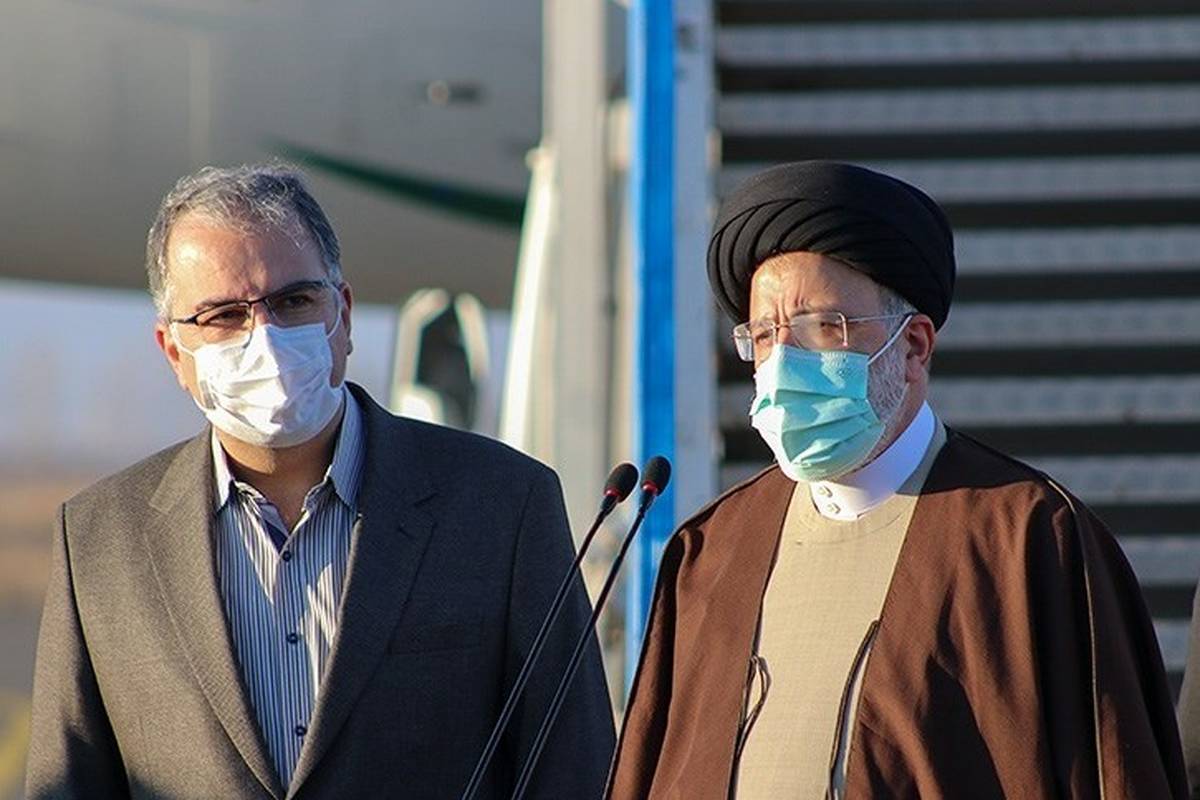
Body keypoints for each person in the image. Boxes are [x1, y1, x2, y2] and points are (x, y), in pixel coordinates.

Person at [26, 163, 615, 799]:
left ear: (344, 315)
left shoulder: (501, 504)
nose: (266, 339)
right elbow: (68, 783)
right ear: (174, 352)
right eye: (224, 315)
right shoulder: (100, 540)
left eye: (294, 302)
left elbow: (575, 770)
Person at [606, 161, 1186, 799]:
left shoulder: (1026, 538)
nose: (785, 362)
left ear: (913, 347)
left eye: (823, 328)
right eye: (765, 335)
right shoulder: (713, 551)